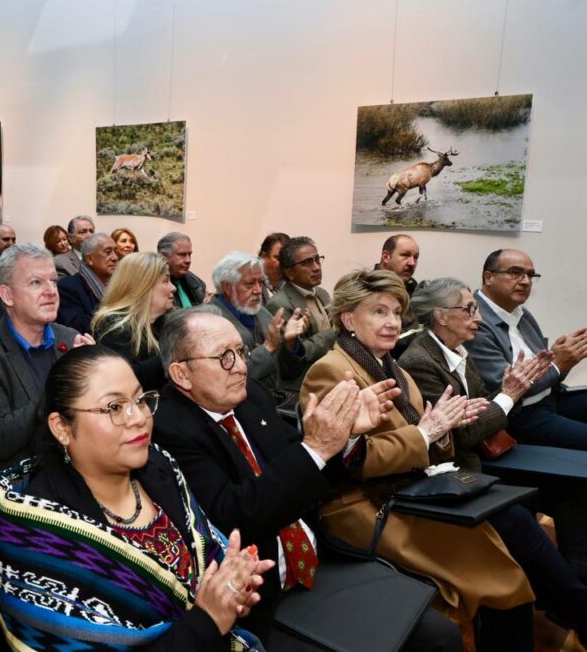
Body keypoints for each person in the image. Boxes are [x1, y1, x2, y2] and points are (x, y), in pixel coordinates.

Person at [153, 307, 461, 650]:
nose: (240, 366)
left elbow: (305, 470)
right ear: (182, 374)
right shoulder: (168, 430)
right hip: (260, 593)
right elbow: (235, 516)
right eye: (224, 357)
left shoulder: (250, 395)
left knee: (440, 635)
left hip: (318, 561)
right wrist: (316, 446)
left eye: (240, 351)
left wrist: (345, 437)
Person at [301, 269, 535, 648]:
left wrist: (443, 428)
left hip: (408, 489)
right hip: (359, 505)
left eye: (396, 313)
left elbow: (428, 443)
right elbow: (349, 460)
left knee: (505, 568)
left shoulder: (393, 368)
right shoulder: (331, 370)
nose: (392, 322)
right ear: (348, 320)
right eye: (379, 312)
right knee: (497, 576)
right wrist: (426, 433)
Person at [0, 345, 274, 651]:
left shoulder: (159, 467)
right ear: (62, 427)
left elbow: (206, 559)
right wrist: (208, 619)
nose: (138, 418)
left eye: (140, 400)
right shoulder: (39, 538)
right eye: (114, 407)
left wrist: (230, 588)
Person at [400, 278, 587, 634]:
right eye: (469, 309)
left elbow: (481, 409)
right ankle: (575, 605)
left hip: (484, 457)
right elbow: (462, 434)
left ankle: (569, 593)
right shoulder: (420, 361)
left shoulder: (457, 350)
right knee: (523, 524)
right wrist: (508, 395)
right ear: (441, 316)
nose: (477, 317)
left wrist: (507, 390)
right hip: (459, 470)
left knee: (574, 488)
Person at [0, 243, 85, 532]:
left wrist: (94, 374)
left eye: (53, 281)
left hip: (71, 482)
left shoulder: (70, 339)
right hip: (9, 495)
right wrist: (64, 378)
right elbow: (0, 438)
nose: (51, 291)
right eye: (36, 283)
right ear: (7, 295)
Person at [467, 248, 587, 450]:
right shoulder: (473, 321)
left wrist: (561, 359)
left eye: (530, 275)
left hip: (550, 397)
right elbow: (507, 387)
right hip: (519, 415)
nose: (525, 281)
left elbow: (546, 369)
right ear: (488, 277)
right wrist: (558, 364)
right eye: (515, 273)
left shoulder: (520, 313)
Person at [209, 251, 309, 392]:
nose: (258, 290)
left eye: (261, 283)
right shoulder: (210, 322)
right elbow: (227, 379)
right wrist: (267, 348)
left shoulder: (262, 312)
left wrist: (290, 343)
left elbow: (288, 373)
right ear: (227, 287)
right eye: (249, 284)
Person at [90, 251, 174, 391]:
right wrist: (174, 353)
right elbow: (127, 378)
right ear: (143, 286)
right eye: (165, 281)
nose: (173, 288)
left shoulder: (168, 321)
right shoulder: (113, 327)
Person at [266, 236, 336, 393]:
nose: (316, 267)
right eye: (307, 263)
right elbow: (297, 355)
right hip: (304, 385)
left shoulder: (322, 294)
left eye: (317, 259)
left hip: (331, 373)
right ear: (289, 272)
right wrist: (334, 332)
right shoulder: (279, 304)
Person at [57, 232, 118, 333]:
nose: (115, 258)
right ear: (89, 259)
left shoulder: (119, 284)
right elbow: (78, 328)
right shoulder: (67, 287)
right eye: (108, 252)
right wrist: (112, 303)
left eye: (115, 252)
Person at [376, 234, 422, 355]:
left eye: (415, 257)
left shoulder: (411, 285)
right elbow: (385, 337)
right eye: (405, 255)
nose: (412, 263)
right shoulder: (370, 289)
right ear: (386, 257)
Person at [158, 232, 207, 307]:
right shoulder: (154, 285)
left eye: (189, 254)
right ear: (164, 256)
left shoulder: (197, 283)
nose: (188, 260)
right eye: (182, 255)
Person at [258, 232, 289, 304]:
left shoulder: (289, 285)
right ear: (263, 256)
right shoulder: (250, 282)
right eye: (278, 258)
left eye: (286, 259)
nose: (283, 263)